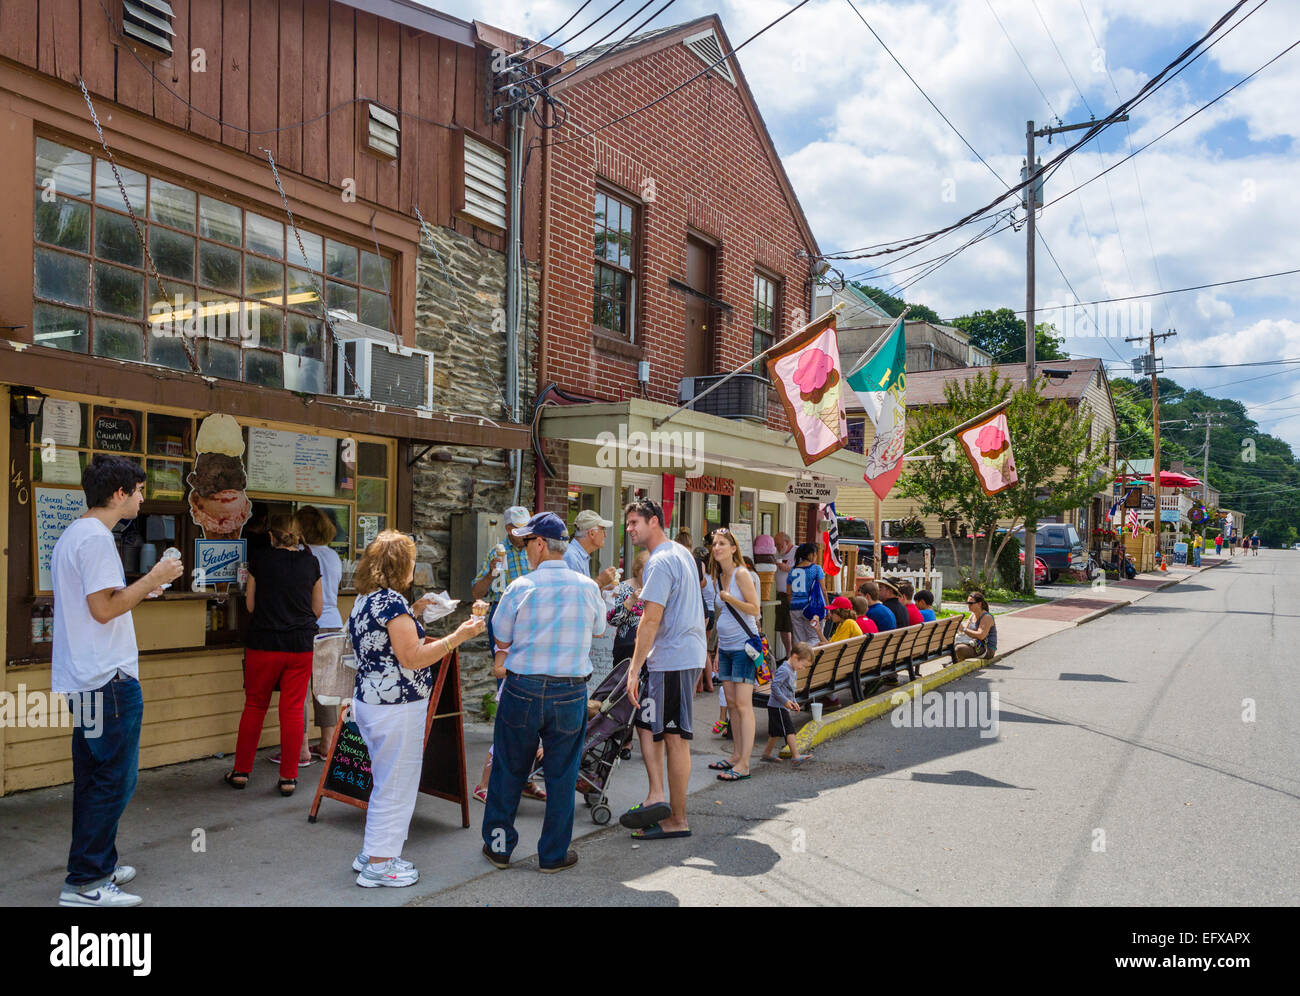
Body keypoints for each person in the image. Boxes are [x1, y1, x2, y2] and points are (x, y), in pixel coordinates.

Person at [53, 455, 185, 907]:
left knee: (95, 777)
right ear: (118, 494)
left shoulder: (77, 533)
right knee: (114, 779)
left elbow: (104, 602)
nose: (143, 497)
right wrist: (154, 576)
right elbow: (104, 609)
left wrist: (145, 588)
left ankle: (95, 866)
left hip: (85, 676)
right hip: (107, 679)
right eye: (139, 489)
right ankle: (87, 882)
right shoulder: (95, 539)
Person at [348, 531, 484, 886]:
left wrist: (417, 611)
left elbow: (385, 643)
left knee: (384, 780)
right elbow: (411, 657)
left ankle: (373, 851)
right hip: (397, 705)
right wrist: (459, 637)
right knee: (397, 785)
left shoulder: (367, 599)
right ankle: (379, 864)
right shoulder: (393, 604)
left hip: (371, 701)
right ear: (400, 566)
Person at [481, 513, 606, 873]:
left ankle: (500, 848)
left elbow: (501, 637)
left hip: (524, 687)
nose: (524, 549)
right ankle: (552, 855)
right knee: (562, 775)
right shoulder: (587, 586)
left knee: (508, 770)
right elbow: (599, 628)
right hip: (569, 691)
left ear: (540, 544)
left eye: (526, 542)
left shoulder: (520, 587)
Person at [621, 498, 706, 840]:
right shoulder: (680, 552)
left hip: (673, 657)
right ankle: (658, 797)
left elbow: (650, 619)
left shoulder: (659, 563)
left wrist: (633, 668)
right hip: (684, 654)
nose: (629, 530)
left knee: (675, 738)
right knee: (657, 729)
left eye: (634, 522)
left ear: (653, 521)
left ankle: (677, 819)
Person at [228, 515, 322, 796]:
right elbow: (317, 609)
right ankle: (288, 778)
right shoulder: (311, 562)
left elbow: (251, 604)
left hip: (264, 642)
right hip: (300, 645)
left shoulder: (260, 559)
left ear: (271, 536)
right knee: (292, 710)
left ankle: (241, 772)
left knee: (255, 706)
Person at [470, 505, 535, 803]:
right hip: (504, 619)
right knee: (508, 692)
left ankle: (524, 777)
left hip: (531, 619)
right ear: (509, 529)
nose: (524, 533)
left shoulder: (536, 547)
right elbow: (477, 591)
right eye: (519, 528)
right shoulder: (498, 552)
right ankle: (492, 779)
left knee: (529, 698)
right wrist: (493, 572)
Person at [277, 505, 344, 768]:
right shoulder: (333, 556)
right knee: (326, 690)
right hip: (334, 623)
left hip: (307, 623)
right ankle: (327, 744)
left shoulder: (302, 555)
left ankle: (302, 747)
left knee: (300, 690)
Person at [706, 529, 762, 783]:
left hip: (744, 647)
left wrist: (729, 598)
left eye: (722, 544)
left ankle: (745, 763)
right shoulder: (719, 577)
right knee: (730, 704)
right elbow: (723, 616)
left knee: (742, 705)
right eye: (714, 544)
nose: (716, 547)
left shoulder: (741, 574)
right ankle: (735, 755)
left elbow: (754, 609)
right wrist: (717, 650)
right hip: (726, 647)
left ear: (733, 548)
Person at [759, 642, 813, 766]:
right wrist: (785, 701)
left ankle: (766, 754)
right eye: (803, 665)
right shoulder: (784, 670)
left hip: (780, 705)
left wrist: (793, 701)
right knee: (789, 730)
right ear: (795, 657)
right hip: (778, 706)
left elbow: (789, 689)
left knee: (776, 732)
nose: (802, 668)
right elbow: (775, 687)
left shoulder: (792, 669)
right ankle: (796, 756)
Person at [607, 550, 649, 664]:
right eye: (646, 569)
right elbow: (612, 620)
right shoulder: (622, 588)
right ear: (637, 570)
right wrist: (631, 600)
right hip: (626, 648)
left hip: (650, 648)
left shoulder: (657, 589)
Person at [564, 509, 620, 590]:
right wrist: (600, 582)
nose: (605, 535)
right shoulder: (571, 556)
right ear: (592, 533)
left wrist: (602, 588)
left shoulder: (579, 555)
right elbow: (574, 594)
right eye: (603, 529)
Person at [786, 542, 826, 648]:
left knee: (798, 638)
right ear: (811, 554)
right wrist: (826, 608)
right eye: (815, 554)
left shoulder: (792, 570)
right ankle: (810, 661)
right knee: (814, 637)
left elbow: (788, 592)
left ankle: (798, 660)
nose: (816, 556)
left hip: (794, 607)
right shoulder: (816, 569)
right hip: (811, 607)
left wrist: (792, 604)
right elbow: (823, 590)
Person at [955, 591, 998, 661]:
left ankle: (957, 661)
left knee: (959, 649)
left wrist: (963, 629)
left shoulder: (987, 617)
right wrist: (956, 624)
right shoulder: (972, 615)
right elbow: (965, 631)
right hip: (974, 644)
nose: (968, 605)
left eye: (970, 603)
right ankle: (957, 661)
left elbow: (981, 635)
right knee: (952, 645)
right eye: (967, 603)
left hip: (987, 649)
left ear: (979, 604)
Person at [773, 532, 795, 661]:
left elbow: (803, 571)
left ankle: (795, 655)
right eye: (775, 545)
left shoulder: (797, 552)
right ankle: (788, 654)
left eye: (779, 544)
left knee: (793, 626)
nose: (776, 547)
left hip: (793, 594)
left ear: (787, 542)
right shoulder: (776, 554)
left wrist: (788, 569)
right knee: (782, 627)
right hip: (780, 593)